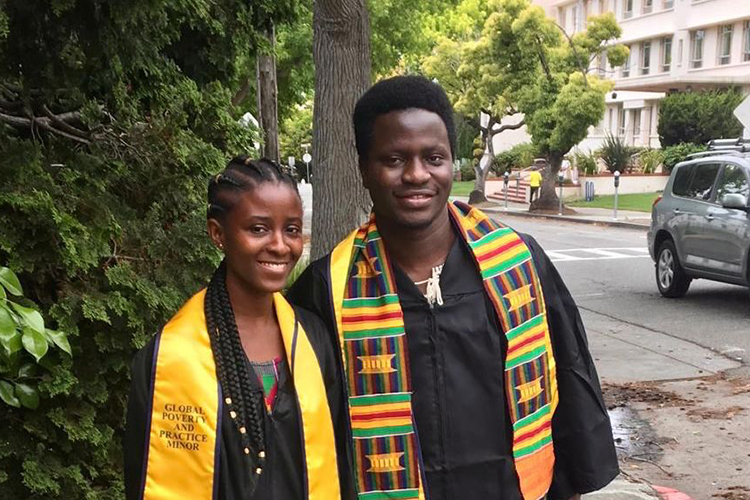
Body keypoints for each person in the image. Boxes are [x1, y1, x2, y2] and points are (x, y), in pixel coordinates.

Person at [288, 76, 618, 500]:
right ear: (364, 169)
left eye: (434, 157)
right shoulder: (327, 288)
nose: (416, 175)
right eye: (393, 159)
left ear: (452, 164)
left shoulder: (518, 262)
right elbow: (310, 431)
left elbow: (570, 384)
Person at [124, 157, 354, 499]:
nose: (280, 245)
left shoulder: (313, 339)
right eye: (258, 229)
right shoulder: (171, 360)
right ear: (218, 233)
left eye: (291, 229)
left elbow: (341, 465)